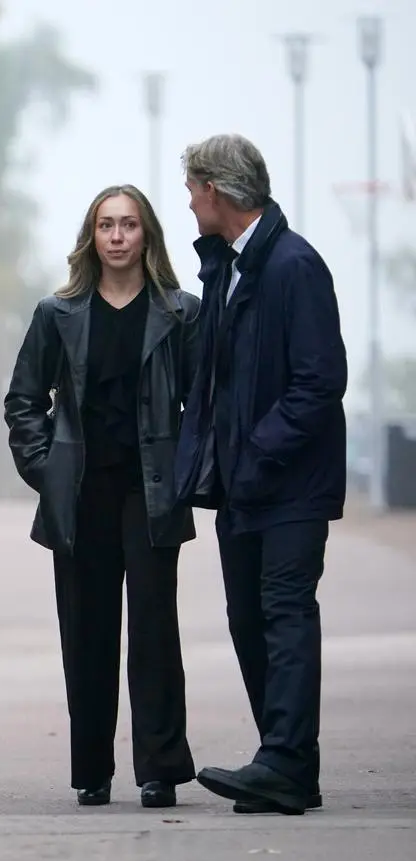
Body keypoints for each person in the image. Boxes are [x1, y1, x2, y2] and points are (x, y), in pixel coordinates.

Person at [4, 185, 201, 809]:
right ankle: (92, 769)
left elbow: (203, 407)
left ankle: (159, 768)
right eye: (106, 225)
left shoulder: (180, 313)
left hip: (151, 491)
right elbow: (23, 402)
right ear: (92, 236)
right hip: (82, 493)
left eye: (129, 225)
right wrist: (46, 470)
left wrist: (187, 472)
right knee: (86, 633)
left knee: (153, 631)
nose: (117, 237)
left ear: (148, 236)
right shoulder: (57, 313)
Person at [174, 134, 346, 816]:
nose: (189, 204)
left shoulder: (295, 266)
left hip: (289, 485)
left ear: (215, 191)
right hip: (243, 486)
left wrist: (256, 448)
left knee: (284, 614)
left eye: (193, 191)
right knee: (247, 617)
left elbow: (319, 379)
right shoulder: (227, 268)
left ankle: (284, 761)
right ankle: (287, 764)